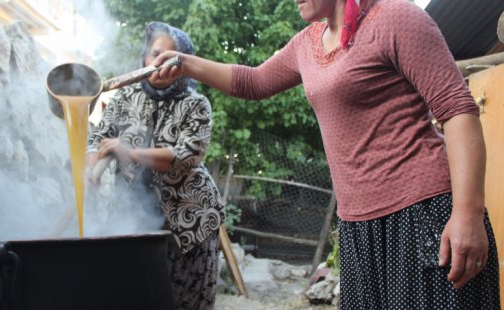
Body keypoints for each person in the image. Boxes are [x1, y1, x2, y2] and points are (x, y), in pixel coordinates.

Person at [152, 0, 499, 308]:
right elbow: (252, 82)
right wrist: (184, 64)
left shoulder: (395, 18)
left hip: (420, 215)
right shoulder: (307, 43)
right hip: (357, 227)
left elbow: (458, 109)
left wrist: (467, 214)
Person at [86, 21, 225, 310]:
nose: (159, 65)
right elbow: (98, 138)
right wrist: (91, 169)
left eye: (170, 58)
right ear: (144, 58)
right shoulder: (125, 96)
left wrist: (131, 153)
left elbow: (187, 155)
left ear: (184, 64)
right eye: (154, 55)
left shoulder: (196, 104)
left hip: (188, 222)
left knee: (182, 301)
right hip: (133, 215)